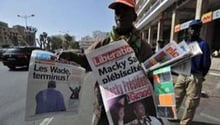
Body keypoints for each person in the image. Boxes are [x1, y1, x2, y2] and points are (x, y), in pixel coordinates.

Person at [58, 0, 155, 124]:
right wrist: (70, 56)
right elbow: (86, 61)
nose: (120, 14)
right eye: (117, 11)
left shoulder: (143, 47)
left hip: (131, 111)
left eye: (125, 10)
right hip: (104, 108)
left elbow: (153, 76)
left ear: (134, 16)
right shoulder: (104, 43)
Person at [174, 19, 211, 125]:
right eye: (191, 29)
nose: (193, 31)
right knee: (176, 97)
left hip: (195, 76)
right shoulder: (185, 44)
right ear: (188, 30)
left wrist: (200, 76)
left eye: (196, 29)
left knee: (191, 103)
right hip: (182, 75)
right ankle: (171, 115)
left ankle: (185, 122)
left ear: (199, 31)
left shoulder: (203, 44)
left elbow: (206, 63)